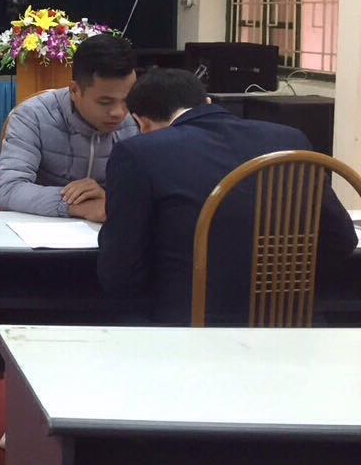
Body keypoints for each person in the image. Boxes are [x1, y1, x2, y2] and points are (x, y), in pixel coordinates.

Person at [98, 68, 356, 325]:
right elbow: (342, 240)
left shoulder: (137, 153)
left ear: (141, 122)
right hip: (293, 325)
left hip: (188, 327)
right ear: (208, 102)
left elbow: (120, 272)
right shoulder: (289, 140)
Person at [0, 33, 139, 222]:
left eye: (127, 99)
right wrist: (77, 205)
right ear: (74, 90)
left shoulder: (137, 120)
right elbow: (9, 189)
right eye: (105, 102)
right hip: (42, 229)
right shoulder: (33, 116)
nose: (118, 113)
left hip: (108, 229)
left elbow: (145, 189)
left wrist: (108, 198)